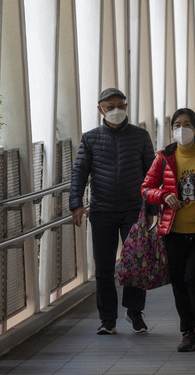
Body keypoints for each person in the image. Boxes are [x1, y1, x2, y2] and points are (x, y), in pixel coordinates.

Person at [142, 108, 195, 352]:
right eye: (178, 124)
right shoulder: (164, 157)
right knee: (179, 281)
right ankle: (187, 332)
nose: (183, 129)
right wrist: (164, 196)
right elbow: (146, 188)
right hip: (173, 231)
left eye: (188, 124)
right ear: (172, 130)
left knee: (193, 276)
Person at [70, 88, 155, 335]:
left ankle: (134, 312)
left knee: (135, 264)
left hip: (133, 209)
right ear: (100, 110)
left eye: (120, 105)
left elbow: (150, 174)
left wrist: (150, 208)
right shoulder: (91, 138)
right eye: (110, 106)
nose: (116, 110)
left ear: (126, 107)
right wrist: (76, 202)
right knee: (104, 268)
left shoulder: (140, 136)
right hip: (102, 210)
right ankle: (108, 318)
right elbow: (80, 172)